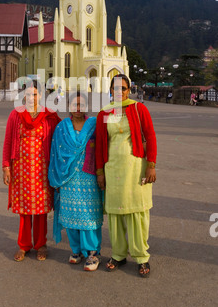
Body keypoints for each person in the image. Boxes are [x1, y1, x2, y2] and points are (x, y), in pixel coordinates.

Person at [95, 74, 157, 277]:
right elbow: (101, 144)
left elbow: (150, 136)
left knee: (136, 212)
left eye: (122, 88)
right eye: (115, 88)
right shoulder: (105, 113)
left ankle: (141, 256)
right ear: (110, 91)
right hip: (113, 169)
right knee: (115, 213)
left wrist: (151, 165)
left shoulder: (139, 109)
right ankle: (119, 254)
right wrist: (100, 172)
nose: (119, 92)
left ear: (128, 90)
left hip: (136, 167)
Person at [2, 79, 61, 262]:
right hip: (21, 169)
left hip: (42, 170)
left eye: (34, 94)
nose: (31, 98)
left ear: (41, 95)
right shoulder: (15, 115)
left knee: (41, 209)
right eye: (27, 94)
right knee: (25, 210)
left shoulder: (49, 116)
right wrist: (6, 166)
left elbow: (61, 137)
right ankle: (24, 245)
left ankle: (41, 244)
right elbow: (8, 142)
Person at [48, 92, 104, 271]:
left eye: (81, 105)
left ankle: (93, 253)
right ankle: (76, 250)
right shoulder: (61, 127)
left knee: (89, 215)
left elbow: (104, 146)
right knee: (71, 215)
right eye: (74, 104)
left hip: (89, 177)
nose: (78, 108)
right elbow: (55, 154)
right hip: (67, 178)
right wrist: (57, 179)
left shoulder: (93, 125)